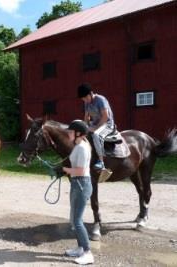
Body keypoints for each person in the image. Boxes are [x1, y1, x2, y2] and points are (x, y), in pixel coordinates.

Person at [63, 120, 94, 265]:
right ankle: (80, 248)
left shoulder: (82, 147)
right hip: (77, 183)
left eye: (70, 132)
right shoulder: (78, 145)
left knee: (77, 220)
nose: (68, 134)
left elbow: (81, 170)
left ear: (78, 133)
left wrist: (65, 170)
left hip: (81, 183)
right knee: (74, 219)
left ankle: (88, 253)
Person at [78, 83, 115, 170]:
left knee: (96, 135)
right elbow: (86, 117)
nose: (85, 100)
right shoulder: (86, 102)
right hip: (95, 123)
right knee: (78, 130)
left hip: (107, 124)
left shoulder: (100, 100)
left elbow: (105, 117)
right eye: (83, 99)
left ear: (91, 93)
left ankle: (101, 162)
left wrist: (95, 128)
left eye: (86, 98)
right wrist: (84, 126)